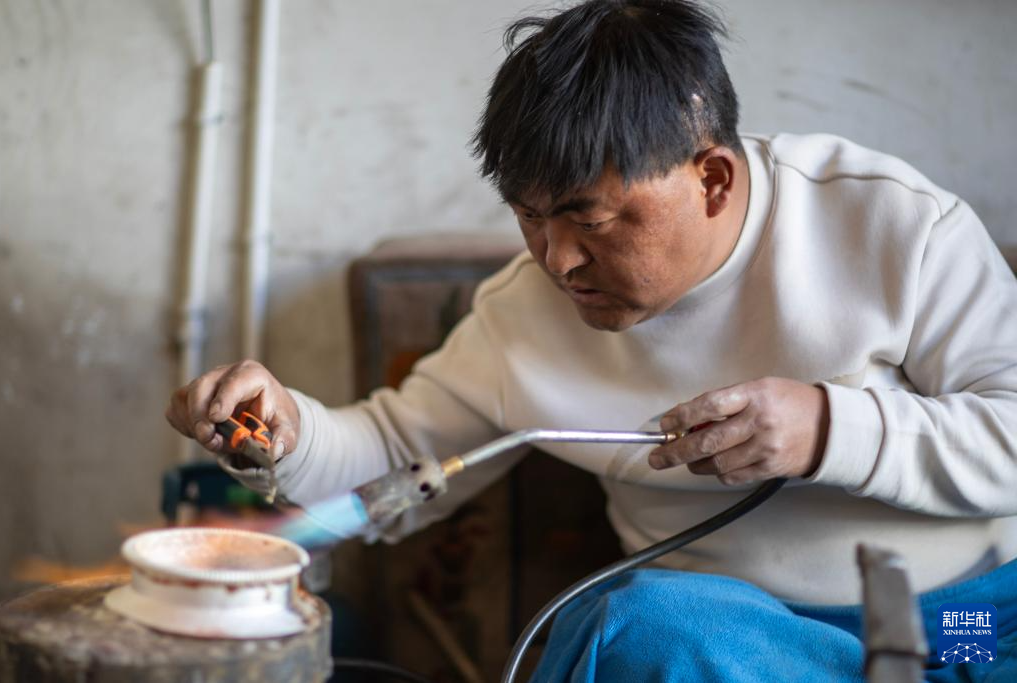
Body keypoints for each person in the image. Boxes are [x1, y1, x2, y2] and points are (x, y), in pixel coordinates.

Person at [166, 1, 1017, 680]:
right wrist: (283, 432)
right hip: (729, 652)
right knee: (638, 626)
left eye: (591, 219)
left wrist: (831, 428)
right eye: (530, 217)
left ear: (712, 179)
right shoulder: (521, 316)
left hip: (962, 626)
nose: (557, 259)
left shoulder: (891, 225)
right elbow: (392, 458)